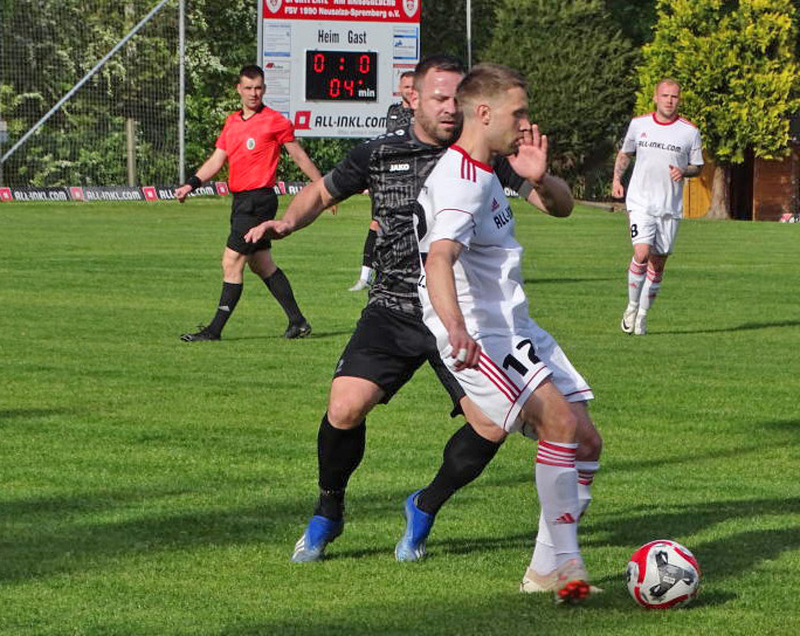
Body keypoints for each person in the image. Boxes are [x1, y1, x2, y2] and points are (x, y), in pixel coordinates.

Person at [244, 56, 601, 591]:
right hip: (403, 306)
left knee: (497, 428)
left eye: (455, 98)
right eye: (439, 98)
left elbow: (559, 207)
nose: (447, 108)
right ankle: (328, 511)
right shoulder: (388, 153)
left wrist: (542, 178)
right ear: (413, 97)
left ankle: (429, 506)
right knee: (345, 406)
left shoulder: (489, 159)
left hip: (463, 314)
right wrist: (287, 222)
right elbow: (325, 193)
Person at [412, 63, 597, 603]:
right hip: (482, 338)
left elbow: (561, 208)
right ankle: (567, 565)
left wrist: (539, 176)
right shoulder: (457, 182)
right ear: (484, 112)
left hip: (518, 327)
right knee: (559, 423)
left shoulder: (491, 170)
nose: (526, 123)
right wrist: (456, 329)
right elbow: (438, 259)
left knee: (586, 439)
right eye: (518, 113)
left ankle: (544, 569)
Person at [176, 64, 322, 341]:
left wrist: (324, 189)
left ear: (264, 89)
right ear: (239, 90)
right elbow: (218, 160)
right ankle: (298, 321)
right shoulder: (232, 122)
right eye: (248, 88)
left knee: (231, 262)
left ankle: (213, 330)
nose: (254, 93)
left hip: (258, 201)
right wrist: (191, 184)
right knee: (262, 264)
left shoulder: (275, 121)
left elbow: (299, 157)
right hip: (241, 201)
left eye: (258, 88)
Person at [612, 78, 703, 335]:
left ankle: (642, 315)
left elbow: (698, 166)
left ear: (679, 100)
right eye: (665, 96)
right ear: (655, 97)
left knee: (658, 263)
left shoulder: (689, 131)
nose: (669, 101)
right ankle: (630, 307)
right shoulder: (639, 124)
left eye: (674, 97)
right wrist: (617, 180)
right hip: (640, 201)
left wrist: (684, 171)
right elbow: (625, 153)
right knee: (641, 252)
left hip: (669, 207)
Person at [348, 71, 416, 292]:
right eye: (406, 86)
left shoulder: (422, 113)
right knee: (377, 223)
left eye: (414, 86)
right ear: (400, 87)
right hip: (389, 177)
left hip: (413, 177)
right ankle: (365, 276)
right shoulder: (393, 111)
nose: (410, 90)